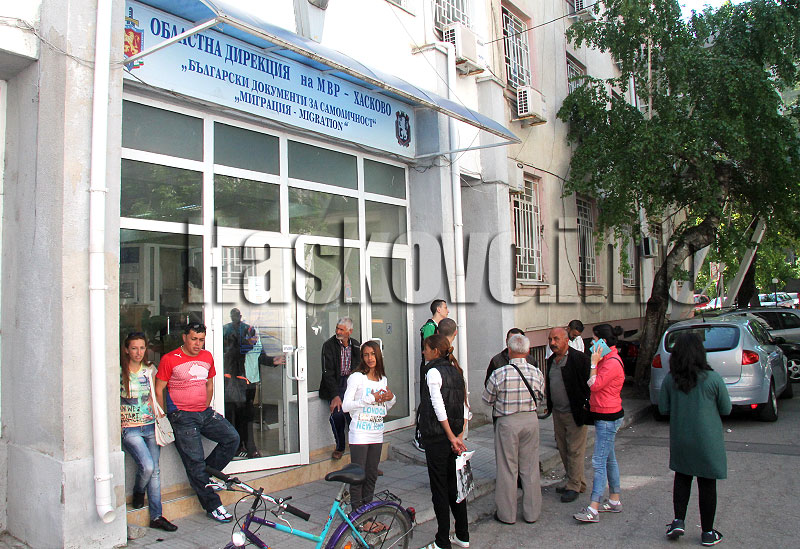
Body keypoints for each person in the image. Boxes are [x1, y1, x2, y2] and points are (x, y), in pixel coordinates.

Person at [155, 323, 240, 523]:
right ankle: (213, 506)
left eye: (201, 340)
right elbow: (159, 389)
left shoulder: (207, 356)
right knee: (195, 463)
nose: (197, 344)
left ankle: (206, 475)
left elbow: (209, 384)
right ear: (184, 337)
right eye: (194, 339)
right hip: (182, 416)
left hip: (204, 412)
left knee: (232, 438)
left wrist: (205, 405)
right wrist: (164, 417)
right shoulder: (170, 359)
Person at [659, 333, 731, 546]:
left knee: (682, 478)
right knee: (707, 484)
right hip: (708, 441)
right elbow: (726, 408)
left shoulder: (671, 379)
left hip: (681, 439)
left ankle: (678, 520)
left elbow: (663, 408)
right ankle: (708, 532)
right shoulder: (712, 379)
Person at [482, 334, 545, 525]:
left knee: (507, 468)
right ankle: (532, 513)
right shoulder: (536, 372)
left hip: (507, 422)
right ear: (527, 351)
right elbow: (541, 397)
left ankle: (507, 514)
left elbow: (487, 400)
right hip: (530, 419)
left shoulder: (499, 373)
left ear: (509, 351)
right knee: (530, 467)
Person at [120, 332, 177, 532]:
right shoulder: (119, 371)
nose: (138, 352)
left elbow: (156, 394)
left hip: (150, 425)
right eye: (134, 348)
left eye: (142, 348)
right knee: (148, 466)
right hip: (130, 428)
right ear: (127, 349)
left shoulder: (150, 369)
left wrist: (161, 414)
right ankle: (138, 491)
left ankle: (156, 516)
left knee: (155, 471)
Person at [418, 334, 470, 549]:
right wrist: (458, 437)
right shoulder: (456, 370)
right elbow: (465, 405)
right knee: (455, 487)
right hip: (453, 437)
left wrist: (450, 436)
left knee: (439, 489)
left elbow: (438, 406)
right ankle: (462, 535)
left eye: (426, 348)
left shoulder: (433, 371)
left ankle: (442, 541)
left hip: (438, 438)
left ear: (435, 351)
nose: (423, 352)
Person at [574, 324, 625, 524]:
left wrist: (594, 364)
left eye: (594, 340)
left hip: (608, 416)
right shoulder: (608, 358)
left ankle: (593, 508)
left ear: (603, 341)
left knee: (599, 461)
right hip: (604, 413)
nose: (592, 344)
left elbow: (594, 385)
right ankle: (614, 499)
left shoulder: (610, 362)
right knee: (609, 458)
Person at [341, 341, 396, 513]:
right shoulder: (356, 377)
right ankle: (357, 514)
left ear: (378, 355)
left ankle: (367, 513)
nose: (370, 358)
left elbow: (384, 407)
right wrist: (370, 399)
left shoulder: (382, 379)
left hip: (376, 430)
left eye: (373, 354)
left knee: (372, 475)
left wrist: (391, 398)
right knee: (358, 475)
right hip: (360, 431)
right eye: (366, 355)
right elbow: (345, 406)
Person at [222, 308, 283, 459]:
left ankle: (246, 447)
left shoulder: (255, 332)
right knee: (237, 416)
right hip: (237, 380)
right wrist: (248, 343)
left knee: (247, 415)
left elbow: (258, 356)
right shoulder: (232, 329)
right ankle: (242, 448)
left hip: (251, 381)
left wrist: (273, 361)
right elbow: (230, 353)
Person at [546, 326, 592, 503]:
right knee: (563, 448)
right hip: (558, 412)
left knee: (574, 450)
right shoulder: (552, 360)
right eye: (550, 339)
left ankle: (573, 485)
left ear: (566, 340)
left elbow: (589, 383)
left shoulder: (579, 359)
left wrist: (586, 405)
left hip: (575, 412)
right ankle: (578, 482)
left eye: (556, 339)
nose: (552, 343)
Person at [319, 317, 361, 460]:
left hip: (351, 383)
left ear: (350, 331)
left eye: (342, 329)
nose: (338, 332)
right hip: (335, 383)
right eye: (337, 328)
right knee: (337, 414)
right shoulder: (329, 345)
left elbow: (360, 368)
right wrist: (335, 395)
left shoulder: (356, 345)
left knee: (354, 415)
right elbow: (327, 373)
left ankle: (358, 448)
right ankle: (340, 446)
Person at [414, 300, 450, 452]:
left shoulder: (439, 327)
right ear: (438, 309)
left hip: (437, 369)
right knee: (426, 401)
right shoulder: (430, 327)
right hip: (430, 369)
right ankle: (419, 435)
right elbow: (429, 349)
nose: (448, 310)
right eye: (445, 307)